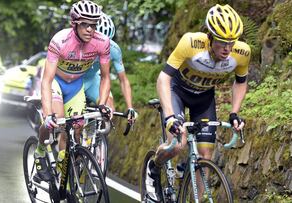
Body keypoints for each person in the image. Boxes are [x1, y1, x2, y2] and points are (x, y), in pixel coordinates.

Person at [145, 4, 250, 201]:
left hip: (203, 99)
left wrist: (234, 113)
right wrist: (169, 117)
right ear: (210, 36)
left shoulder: (242, 53)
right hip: (177, 91)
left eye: (232, 42)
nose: (227, 48)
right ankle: (154, 167)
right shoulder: (190, 43)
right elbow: (163, 79)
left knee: (206, 156)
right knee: (177, 145)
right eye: (221, 42)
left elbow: (241, 82)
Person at [34, 0, 112, 182]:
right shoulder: (60, 40)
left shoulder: (102, 42)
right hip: (56, 83)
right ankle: (40, 150)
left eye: (93, 25)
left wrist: (102, 103)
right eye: (85, 24)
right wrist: (47, 115)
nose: (90, 30)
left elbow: (106, 77)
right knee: (56, 123)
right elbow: (46, 80)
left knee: (75, 129)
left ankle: (63, 178)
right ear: (74, 24)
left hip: (76, 86)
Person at [83, 12, 137, 123]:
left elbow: (123, 80)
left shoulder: (114, 49)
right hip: (75, 81)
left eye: (105, 42)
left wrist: (130, 107)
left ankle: (98, 138)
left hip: (93, 80)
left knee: (110, 109)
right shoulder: (78, 44)